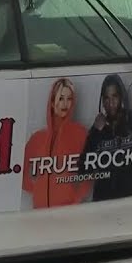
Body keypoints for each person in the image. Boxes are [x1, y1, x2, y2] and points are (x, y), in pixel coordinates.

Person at [22, 78, 91, 209]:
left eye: (69, 99)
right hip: (40, 211)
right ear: (53, 102)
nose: (65, 104)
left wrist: (75, 197)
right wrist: (38, 190)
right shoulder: (37, 139)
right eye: (61, 98)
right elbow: (21, 173)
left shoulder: (81, 134)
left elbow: (90, 173)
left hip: (69, 211)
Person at [82, 74, 132, 201]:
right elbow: (83, 169)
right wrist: (96, 132)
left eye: (114, 96)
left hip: (129, 197)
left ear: (121, 97)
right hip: (102, 199)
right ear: (102, 101)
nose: (111, 103)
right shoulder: (98, 128)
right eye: (106, 98)